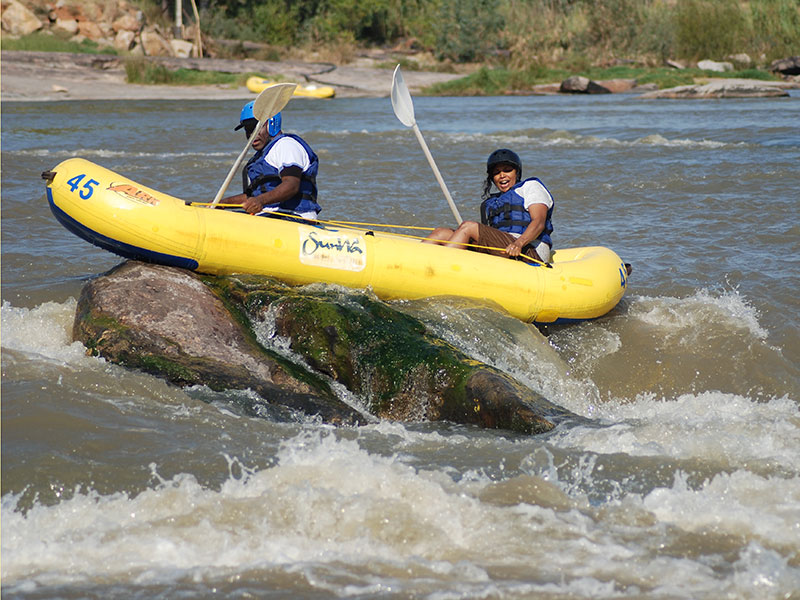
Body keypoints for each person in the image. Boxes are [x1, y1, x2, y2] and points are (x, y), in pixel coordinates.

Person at [425, 149, 554, 263]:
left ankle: (439, 267)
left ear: (517, 172)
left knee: (468, 227)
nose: (502, 175)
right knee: (440, 233)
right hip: (503, 249)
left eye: (507, 170)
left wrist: (518, 244)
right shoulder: (490, 203)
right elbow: (488, 236)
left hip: (530, 250)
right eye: (497, 173)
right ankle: (417, 264)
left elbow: (539, 222)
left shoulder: (530, 186)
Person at [222, 101, 321, 220]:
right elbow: (253, 197)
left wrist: (260, 200)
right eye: (248, 130)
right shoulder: (261, 156)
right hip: (269, 216)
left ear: (272, 124)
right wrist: (222, 204)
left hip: (294, 217)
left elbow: (291, 185)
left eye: (256, 128)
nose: (251, 134)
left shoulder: (286, 145)